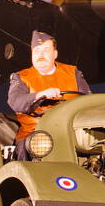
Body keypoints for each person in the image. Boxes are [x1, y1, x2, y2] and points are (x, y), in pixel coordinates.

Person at [7, 31, 90, 159]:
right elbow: (15, 102)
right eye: (37, 51)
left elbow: (88, 100)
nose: (40, 55)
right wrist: (40, 95)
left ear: (55, 54)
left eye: (46, 50)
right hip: (35, 133)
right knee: (30, 145)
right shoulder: (21, 77)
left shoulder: (73, 73)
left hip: (69, 131)